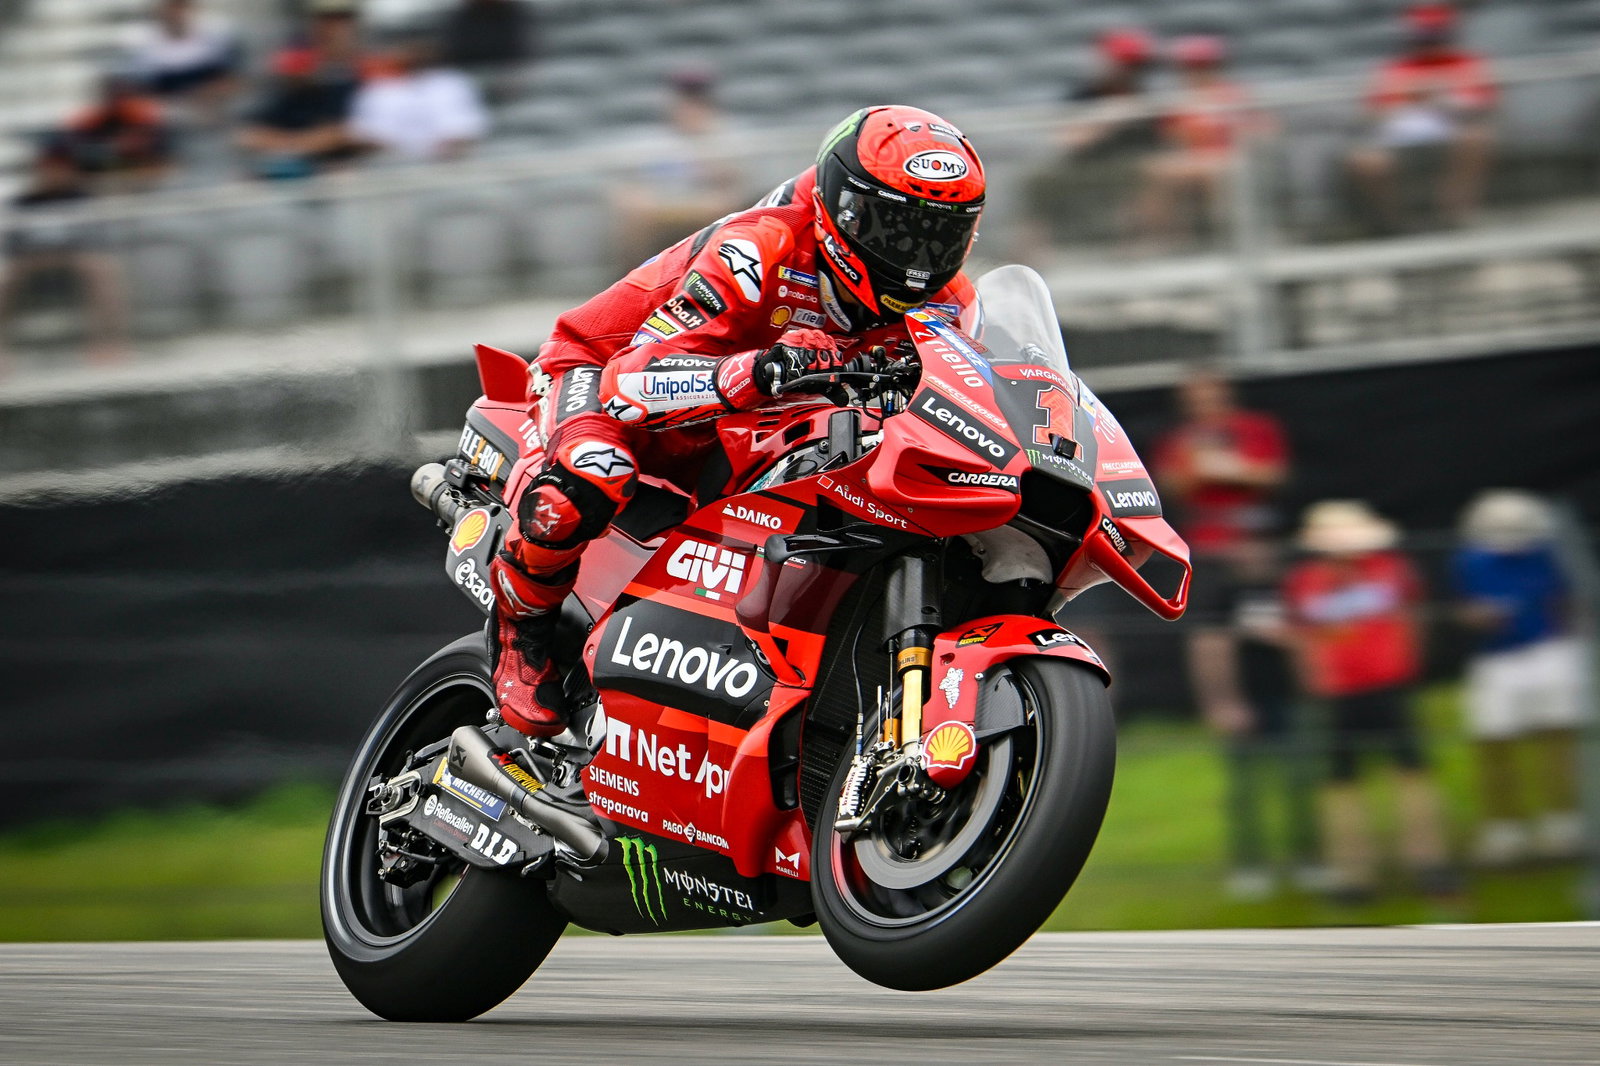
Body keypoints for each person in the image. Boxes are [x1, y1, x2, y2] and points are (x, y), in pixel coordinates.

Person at [489, 105, 986, 737]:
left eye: (936, 236)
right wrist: (765, 371)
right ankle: (521, 625)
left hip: (744, 425)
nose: (917, 256)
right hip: (604, 371)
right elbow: (630, 383)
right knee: (594, 468)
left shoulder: (955, 304)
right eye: (898, 229)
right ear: (847, 208)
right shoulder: (760, 247)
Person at [1282, 501, 1455, 902]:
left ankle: (1429, 865)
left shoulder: (1391, 569)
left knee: (1412, 771)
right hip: (1339, 694)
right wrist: (1313, 679)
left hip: (1389, 686)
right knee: (1342, 781)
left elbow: (1413, 617)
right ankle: (1353, 877)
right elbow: (1302, 637)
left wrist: (1408, 663)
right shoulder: (1306, 580)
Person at [1453, 490, 1590, 864]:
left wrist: (1567, 631)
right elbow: (1463, 608)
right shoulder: (1469, 561)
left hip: (1552, 652)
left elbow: (1571, 599)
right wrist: (1478, 617)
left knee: (1557, 739)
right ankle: (1504, 830)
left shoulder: (1550, 553)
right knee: (1493, 742)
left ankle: (1562, 824)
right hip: (1497, 660)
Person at [1348, 2, 1496, 232]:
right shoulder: (1396, 68)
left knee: (1477, 137)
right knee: (1365, 160)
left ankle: (1454, 214)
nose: (1430, 42)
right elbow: (1374, 114)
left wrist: (1443, 100)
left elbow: (1484, 105)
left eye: (1436, 35)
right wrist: (1410, 98)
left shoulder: (1466, 62)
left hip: (1449, 127)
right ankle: (1396, 224)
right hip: (1400, 132)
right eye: (1425, 36)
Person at [0, 142, 130, 367]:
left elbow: (96, 239)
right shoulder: (23, 203)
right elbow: (14, 244)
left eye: (61, 168)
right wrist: (38, 257)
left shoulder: (84, 200)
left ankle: (108, 342)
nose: (55, 174)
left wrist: (68, 253)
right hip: (33, 263)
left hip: (75, 259)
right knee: (6, 278)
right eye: (50, 168)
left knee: (102, 270)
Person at [610, 68, 745, 275]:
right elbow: (627, 183)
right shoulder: (651, 139)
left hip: (703, 203)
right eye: (685, 103)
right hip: (661, 205)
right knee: (634, 208)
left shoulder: (728, 137)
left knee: (722, 207)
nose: (689, 110)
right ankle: (633, 278)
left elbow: (737, 186)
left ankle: (716, 275)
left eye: (696, 104)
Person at [1136, 36, 1260, 245]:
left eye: (1201, 66)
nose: (1194, 72)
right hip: (1196, 163)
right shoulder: (1182, 102)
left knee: (1169, 175)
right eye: (1188, 67)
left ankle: (1225, 239)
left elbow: (1261, 131)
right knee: (1155, 170)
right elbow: (1169, 136)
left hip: (1231, 163)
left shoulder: (1232, 96)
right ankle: (1166, 238)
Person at [348, 36, 489, 163]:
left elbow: (466, 129)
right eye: (408, 48)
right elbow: (367, 135)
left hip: (451, 164)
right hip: (391, 167)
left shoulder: (453, 82)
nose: (415, 53)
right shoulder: (376, 89)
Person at [59, 73, 175, 191]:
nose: (119, 101)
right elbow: (75, 150)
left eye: (124, 95)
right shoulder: (90, 124)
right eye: (115, 95)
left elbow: (162, 154)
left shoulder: (144, 120)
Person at [121, 0, 241, 110]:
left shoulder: (215, 40)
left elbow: (231, 80)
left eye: (180, 8)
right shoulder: (145, 48)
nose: (176, 15)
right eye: (171, 9)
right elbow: (141, 90)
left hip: (212, 105)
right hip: (167, 108)